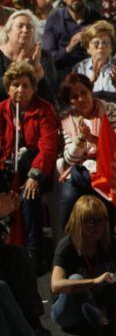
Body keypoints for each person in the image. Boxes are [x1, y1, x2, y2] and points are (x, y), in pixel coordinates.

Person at [49, 195, 116, 336]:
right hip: (69, 313)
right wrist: (94, 281)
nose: (98, 227)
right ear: (78, 222)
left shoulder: (109, 243)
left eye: (102, 220)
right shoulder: (67, 246)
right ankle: (100, 321)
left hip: (101, 307)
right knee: (76, 278)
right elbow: (56, 285)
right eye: (92, 222)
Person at [0, 60, 59, 268]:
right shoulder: (2, 110)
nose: (20, 90)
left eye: (25, 85)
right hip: (7, 172)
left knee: (28, 198)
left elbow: (48, 147)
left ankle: (32, 253)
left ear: (34, 88)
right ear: (8, 87)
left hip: (34, 171)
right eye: (15, 85)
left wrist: (35, 175)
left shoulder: (45, 109)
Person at [56, 73, 116, 227]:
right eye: (74, 97)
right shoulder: (66, 119)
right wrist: (80, 138)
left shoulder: (110, 109)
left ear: (91, 91)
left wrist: (92, 139)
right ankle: (72, 243)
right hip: (80, 171)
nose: (81, 99)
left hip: (109, 168)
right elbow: (69, 159)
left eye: (83, 93)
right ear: (69, 101)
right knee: (68, 201)